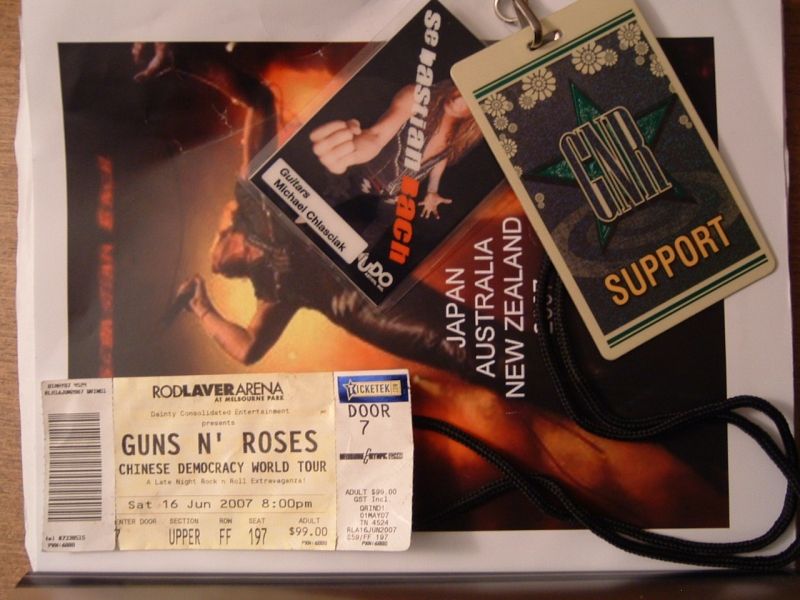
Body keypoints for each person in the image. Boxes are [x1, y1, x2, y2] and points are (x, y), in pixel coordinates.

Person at [309, 80, 482, 221]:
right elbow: (376, 136)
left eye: (469, 100)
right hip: (359, 181)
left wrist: (432, 190)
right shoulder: (417, 97)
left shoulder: (456, 137)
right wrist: (351, 150)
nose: (457, 99)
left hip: (391, 200)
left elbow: (440, 159)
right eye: (460, 88)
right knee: (311, 218)